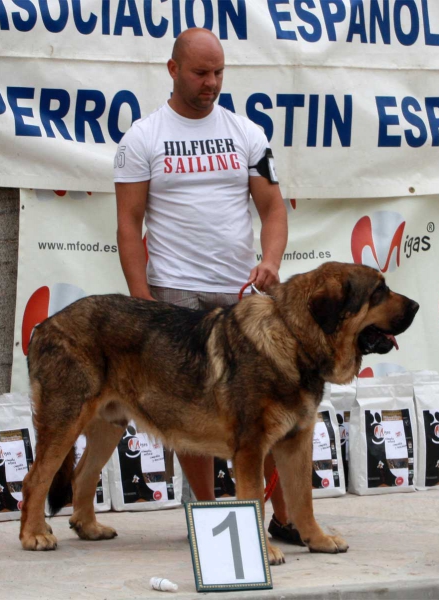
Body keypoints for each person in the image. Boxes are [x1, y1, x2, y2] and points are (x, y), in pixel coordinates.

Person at [114, 27, 302, 545]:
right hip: (174, 296)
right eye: (201, 72)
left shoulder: (247, 133)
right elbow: (129, 224)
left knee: (266, 413)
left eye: (219, 72)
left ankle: (283, 518)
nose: (211, 82)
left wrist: (270, 260)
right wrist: (140, 300)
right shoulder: (142, 138)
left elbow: (272, 209)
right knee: (192, 413)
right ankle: (210, 518)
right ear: (173, 70)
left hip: (243, 298)